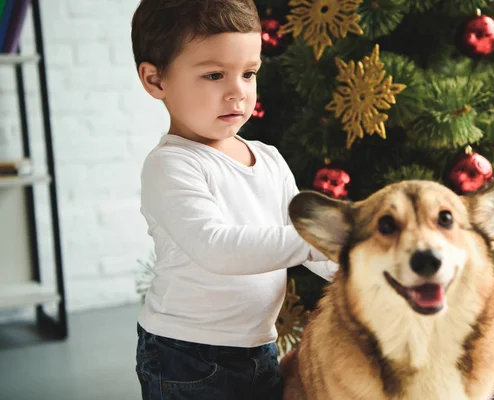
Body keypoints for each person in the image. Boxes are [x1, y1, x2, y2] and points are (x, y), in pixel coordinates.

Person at [130, 1, 338, 399]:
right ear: (156, 80)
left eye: (249, 73)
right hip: (185, 354)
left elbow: (312, 241)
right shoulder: (171, 166)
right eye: (214, 75)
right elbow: (218, 248)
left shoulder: (269, 159)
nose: (238, 92)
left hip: (259, 345)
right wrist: (315, 239)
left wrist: (359, 263)